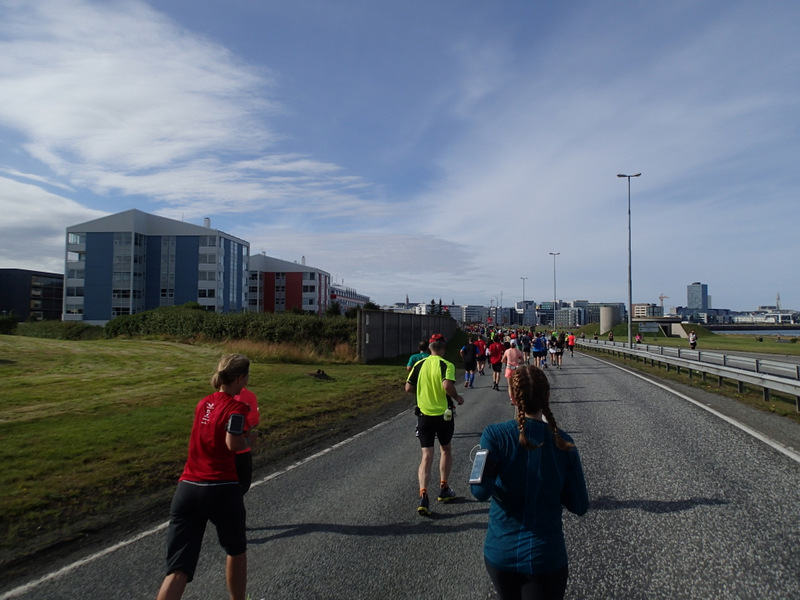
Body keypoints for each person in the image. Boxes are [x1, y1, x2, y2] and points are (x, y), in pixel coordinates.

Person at [471, 365, 588, 600]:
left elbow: (479, 491)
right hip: (545, 557)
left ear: (512, 398)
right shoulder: (563, 442)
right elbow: (579, 505)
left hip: (500, 553)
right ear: (547, 397)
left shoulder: (495, 436)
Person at [157, 354, 252, 600]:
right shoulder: (238, 407)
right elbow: (233, 442)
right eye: (247, 377)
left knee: (178, 566)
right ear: (240, 379)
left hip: (187, 487)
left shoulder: (203, 404)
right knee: (235, 549)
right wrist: (249, 440)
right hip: (221, 486)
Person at [405, 334, 464, 515]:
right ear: (443, 348)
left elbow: (408, 387)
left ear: (430, 348)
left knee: (426, 455)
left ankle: (423, 495)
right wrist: (457, 397)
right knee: (445, 449)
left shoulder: (418, 364)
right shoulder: (447, 365)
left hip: (423, 414)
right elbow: (447, 385)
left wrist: (421, 394)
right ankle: (444, 488)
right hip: (443, 414)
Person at [234, 387, 259, 494]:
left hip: (219, 454)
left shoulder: (208, 401)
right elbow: (253, 422)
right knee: (241, 488)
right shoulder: (248, 396)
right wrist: (249, 440)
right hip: (240, 451)